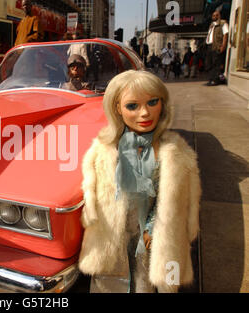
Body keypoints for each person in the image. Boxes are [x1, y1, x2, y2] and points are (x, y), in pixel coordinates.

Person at [78, 70, 201, 293]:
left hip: (153, 240)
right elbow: (92, 197)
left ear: (162, 104)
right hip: (111, 241)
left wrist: (153, 229)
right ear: (117, 108)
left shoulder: (174, 152)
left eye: (152, 102)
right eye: (132, 106)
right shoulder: (103, 149)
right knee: (108, 284)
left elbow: (184, 209)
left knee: (156, 283)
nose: (144, 113)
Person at [205, 10, 228, 86]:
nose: (213, 17)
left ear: (219, 16)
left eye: (215, 15)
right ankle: (211, 79)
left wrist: (223, 46)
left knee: (216, 64)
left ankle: (215, 80)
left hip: (217, 46)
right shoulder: (211, 25)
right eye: (213, 15)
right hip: (210, 46)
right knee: (209, 64)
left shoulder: (223, 23)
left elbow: (225, 35)